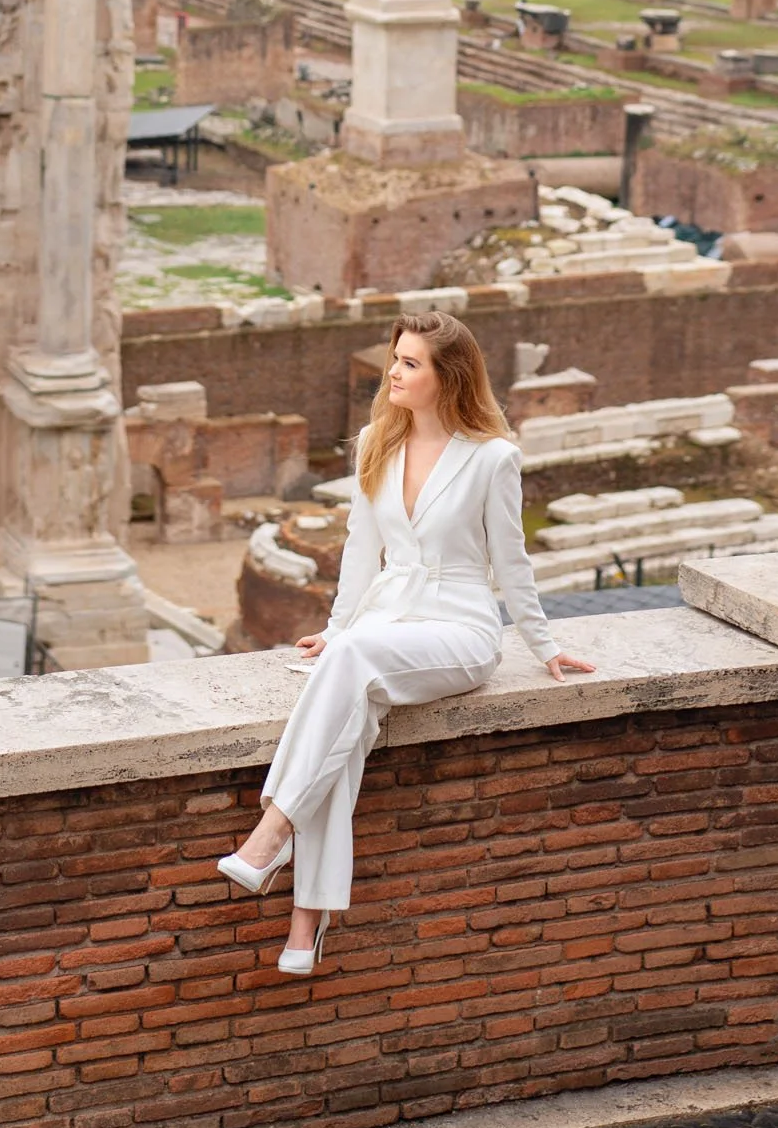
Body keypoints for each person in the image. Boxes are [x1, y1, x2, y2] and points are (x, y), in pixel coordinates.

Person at [218, 308, 595, 976]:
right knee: (349, 712)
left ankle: (274, 830)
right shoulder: (374, 443)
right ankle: (307, 919)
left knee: (351, 666)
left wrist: (542, 646)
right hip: (384, 619)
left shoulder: (493, 459)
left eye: (410, 363)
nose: (393, 371)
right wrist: (336, 629)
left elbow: (512, 563)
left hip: (460, 627)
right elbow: (362, 554)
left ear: (448, 377)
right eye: (396, 357)